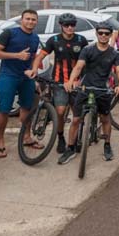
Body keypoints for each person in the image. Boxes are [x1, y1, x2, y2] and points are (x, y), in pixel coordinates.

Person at [59, 19, 119, 164]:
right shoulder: (87, 50)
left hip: (102, 89)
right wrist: (70, 81)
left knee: (105, 118)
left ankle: (107, 145)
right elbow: (78, 67)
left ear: (110, 35)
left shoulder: (114, 54)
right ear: (96, 34)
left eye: (106, 33)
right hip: (86, 87)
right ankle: (70, 148)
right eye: (100, 33)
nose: (103, 35)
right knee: (76, 120)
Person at [28, 12, 89, 154]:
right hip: (59, 81)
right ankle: (60, 137)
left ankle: (76, 138)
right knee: (60, 112)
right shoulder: (54, 40)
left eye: (72, 25)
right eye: (66, 25)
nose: (70, 27)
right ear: (61, 25)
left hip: (76, 82)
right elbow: (40, 56)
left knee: (77, 116)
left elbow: (87, 61)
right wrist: (34, 69)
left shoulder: (81, 40)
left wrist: (80, 80)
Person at [0, 9, 41, 158]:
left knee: (26, 108)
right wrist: (17, 55)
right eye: (27, 19)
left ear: (36, 22)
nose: (30, 21)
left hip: (26, 77)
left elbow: (33, 57)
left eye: (33, 19)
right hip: (9, 76)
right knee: (3, 109)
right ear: (21, 20)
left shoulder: (35, 38)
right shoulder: (9, 34)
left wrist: (33, 72)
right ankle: (0, 142)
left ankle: (27, 137)